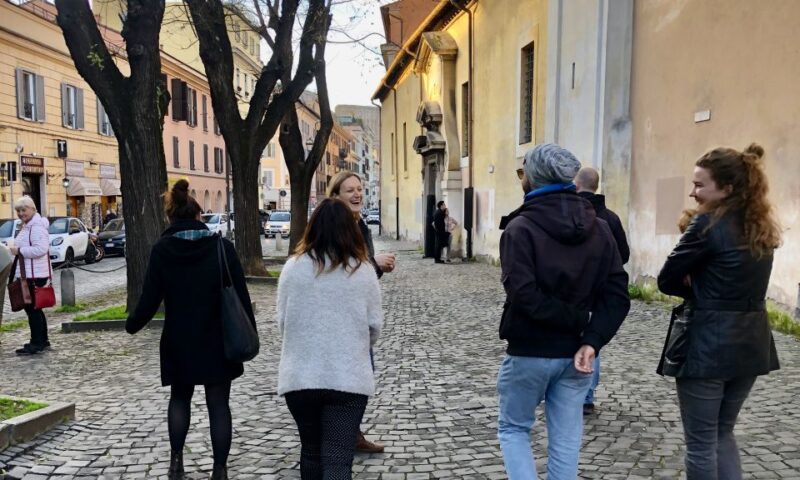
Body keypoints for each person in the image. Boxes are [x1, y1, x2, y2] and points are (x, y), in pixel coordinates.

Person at [497, 144, 630, 479]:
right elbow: (617, 295)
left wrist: (585, 325)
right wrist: (592, 339)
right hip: (577, 352)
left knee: (513, 429)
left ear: (534, 179)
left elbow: (524, 294)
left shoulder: (520, 228)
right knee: (566, 440)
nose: (521, 178)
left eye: (522, 172)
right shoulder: (600, 228)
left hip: (530, 349)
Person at [657, 143, 781, 480]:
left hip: (708, 343)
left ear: (726, 188)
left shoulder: (707, 225)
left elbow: (667, 280)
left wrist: (694, 286)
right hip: (751, 340)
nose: (692, 192)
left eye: (700, 185)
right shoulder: (761, 226)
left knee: (700, 443)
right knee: (722, 433)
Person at [126, 180, 255, 480]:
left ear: (170, 218)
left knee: (179, 399)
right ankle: (220, 470)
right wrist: (249, 332)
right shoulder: (222, 248)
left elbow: (149, 300)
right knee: (218, 405)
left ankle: (176, 464)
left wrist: (132, 325)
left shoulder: (162, 250)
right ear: (199, 216)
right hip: (219, 339)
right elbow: (241, 295)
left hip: (179, 340)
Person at [277, 198, 383, 478]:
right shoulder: (363, 272)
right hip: (347, 379)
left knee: (310, 452)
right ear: (351, 231)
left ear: (312, 228)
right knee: (338, 459)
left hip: (300, 378)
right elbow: (374, 327)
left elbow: (283, 322)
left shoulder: (292, 269)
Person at [327, 171, 394, 453]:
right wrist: (374, 264)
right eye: (349, 190)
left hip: (358, 317)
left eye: (359, 189)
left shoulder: (361, 226)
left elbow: (362, 278)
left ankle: (351, 432)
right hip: (337, 318)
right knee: (346, 379)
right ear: (335, 196)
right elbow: (339, 273)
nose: (356, 195)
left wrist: (375, 268)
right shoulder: (333, 229)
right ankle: (342, 434)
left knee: (363, 375)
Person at [574, 166, 630, 414]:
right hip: (602, 288)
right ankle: (586, 395)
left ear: (576, 184)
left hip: (575, 287)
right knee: (593, 339)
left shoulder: (570, 214)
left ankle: (570, 390)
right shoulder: (611, 218)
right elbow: (624, 254)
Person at [9, 196, 53, 356]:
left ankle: (37, 342)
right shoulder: (27, 226)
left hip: (35, 274)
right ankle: (42, 340)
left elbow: (41, 249)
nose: (21, 213)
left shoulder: (36, 227)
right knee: (36, 309)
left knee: (32, 309)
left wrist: (18, 250)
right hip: (29, 272)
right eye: (18, 211)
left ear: (32, 209)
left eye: (23, 210)